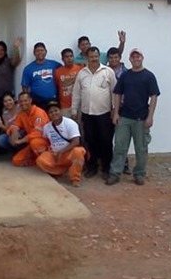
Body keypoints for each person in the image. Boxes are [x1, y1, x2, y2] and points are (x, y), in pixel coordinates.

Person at [107, 48, 160, 186]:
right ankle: (115, 173)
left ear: (142, 58)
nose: (136, 59)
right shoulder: (125, 76)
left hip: (141, 118)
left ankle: (139, 174)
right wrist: (116, 113)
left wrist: (150, 116)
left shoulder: (149, 76)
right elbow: (117, 94)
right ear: (130, 59)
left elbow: (154, 97)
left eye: (138, 57)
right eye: (133, 57)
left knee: (141, 148)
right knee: (119, 147)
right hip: (124, 117)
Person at [71, 47, 117, 179]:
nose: (94, 58)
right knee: (90, 140)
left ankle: (107, 168)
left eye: (96, 56)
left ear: (99, 57)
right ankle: (92, 167)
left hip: (104, 113)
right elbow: (76, 93)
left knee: (106, 141)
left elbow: (115, 92)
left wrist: (115, 110)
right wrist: (74, 110)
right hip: (87, 114)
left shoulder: (108, 72)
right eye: (91, 56)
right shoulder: (82, 73)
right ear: (87, 58)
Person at [36, 101, 86, 187]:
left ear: (60, 111)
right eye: (51, 112)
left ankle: (75, 178)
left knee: (78, 152)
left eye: (55, 110)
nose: (53, 113)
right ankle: (60, 171)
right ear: (48, 115)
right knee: (40, 161)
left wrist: (61, 152)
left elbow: (76, 141)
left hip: (69, 153)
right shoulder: (46, 127)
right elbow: (45, 140)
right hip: (55, 154)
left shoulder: (70, 123)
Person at [6, 92, 50, 167]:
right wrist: (13, 131)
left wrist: (20, 141)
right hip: (31, 143)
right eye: (21, 101)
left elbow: (38, 133)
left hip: (44, 142)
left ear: (30, 100)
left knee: (35, 142)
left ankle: (47, 161)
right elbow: (14, 125)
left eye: (25, 100)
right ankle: (36, 162)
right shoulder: (22, 114)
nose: (23, 103)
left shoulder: (39, 112)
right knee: (16, 161)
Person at [107, 46, 130, 175]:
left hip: (123, 109)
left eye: (116, 57)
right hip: (107, 108)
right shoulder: (103, 70)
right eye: (111, 57)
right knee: (107, 137)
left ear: (120, 58)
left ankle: (124, 164)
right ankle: (111, 164)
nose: (113, 59)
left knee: (122, 139)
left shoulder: (127, 73)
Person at [21, 42, 62, 111]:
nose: (40, 52)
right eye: (37, 51)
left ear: (46, 52)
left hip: (52, 100)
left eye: (42, 50)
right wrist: (28, 101)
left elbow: (64, 71)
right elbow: (25, 87)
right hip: (37, 101)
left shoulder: (54, 64)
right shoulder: (28, 68)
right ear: (34, 53)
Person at [54, 48, 83, 118]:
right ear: (62, 59)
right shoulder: (57, 72)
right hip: (65, 106)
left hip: (79, 105)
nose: (69, 59)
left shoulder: (80, 69)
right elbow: (58, 86)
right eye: (66, 57)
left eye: (71, 56)